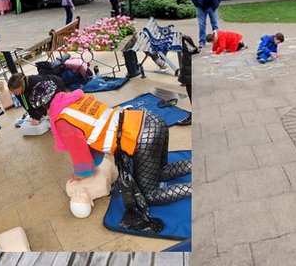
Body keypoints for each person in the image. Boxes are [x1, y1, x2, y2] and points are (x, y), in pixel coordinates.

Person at [48, 90, 190, 232]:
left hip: (144, 138)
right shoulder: (76, 100)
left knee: (148, 196)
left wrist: (82, 173)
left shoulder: (63, 122)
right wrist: (94, 164)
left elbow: (81, 156)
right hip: (152, 120)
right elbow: (95, 139)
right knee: (161, 171)